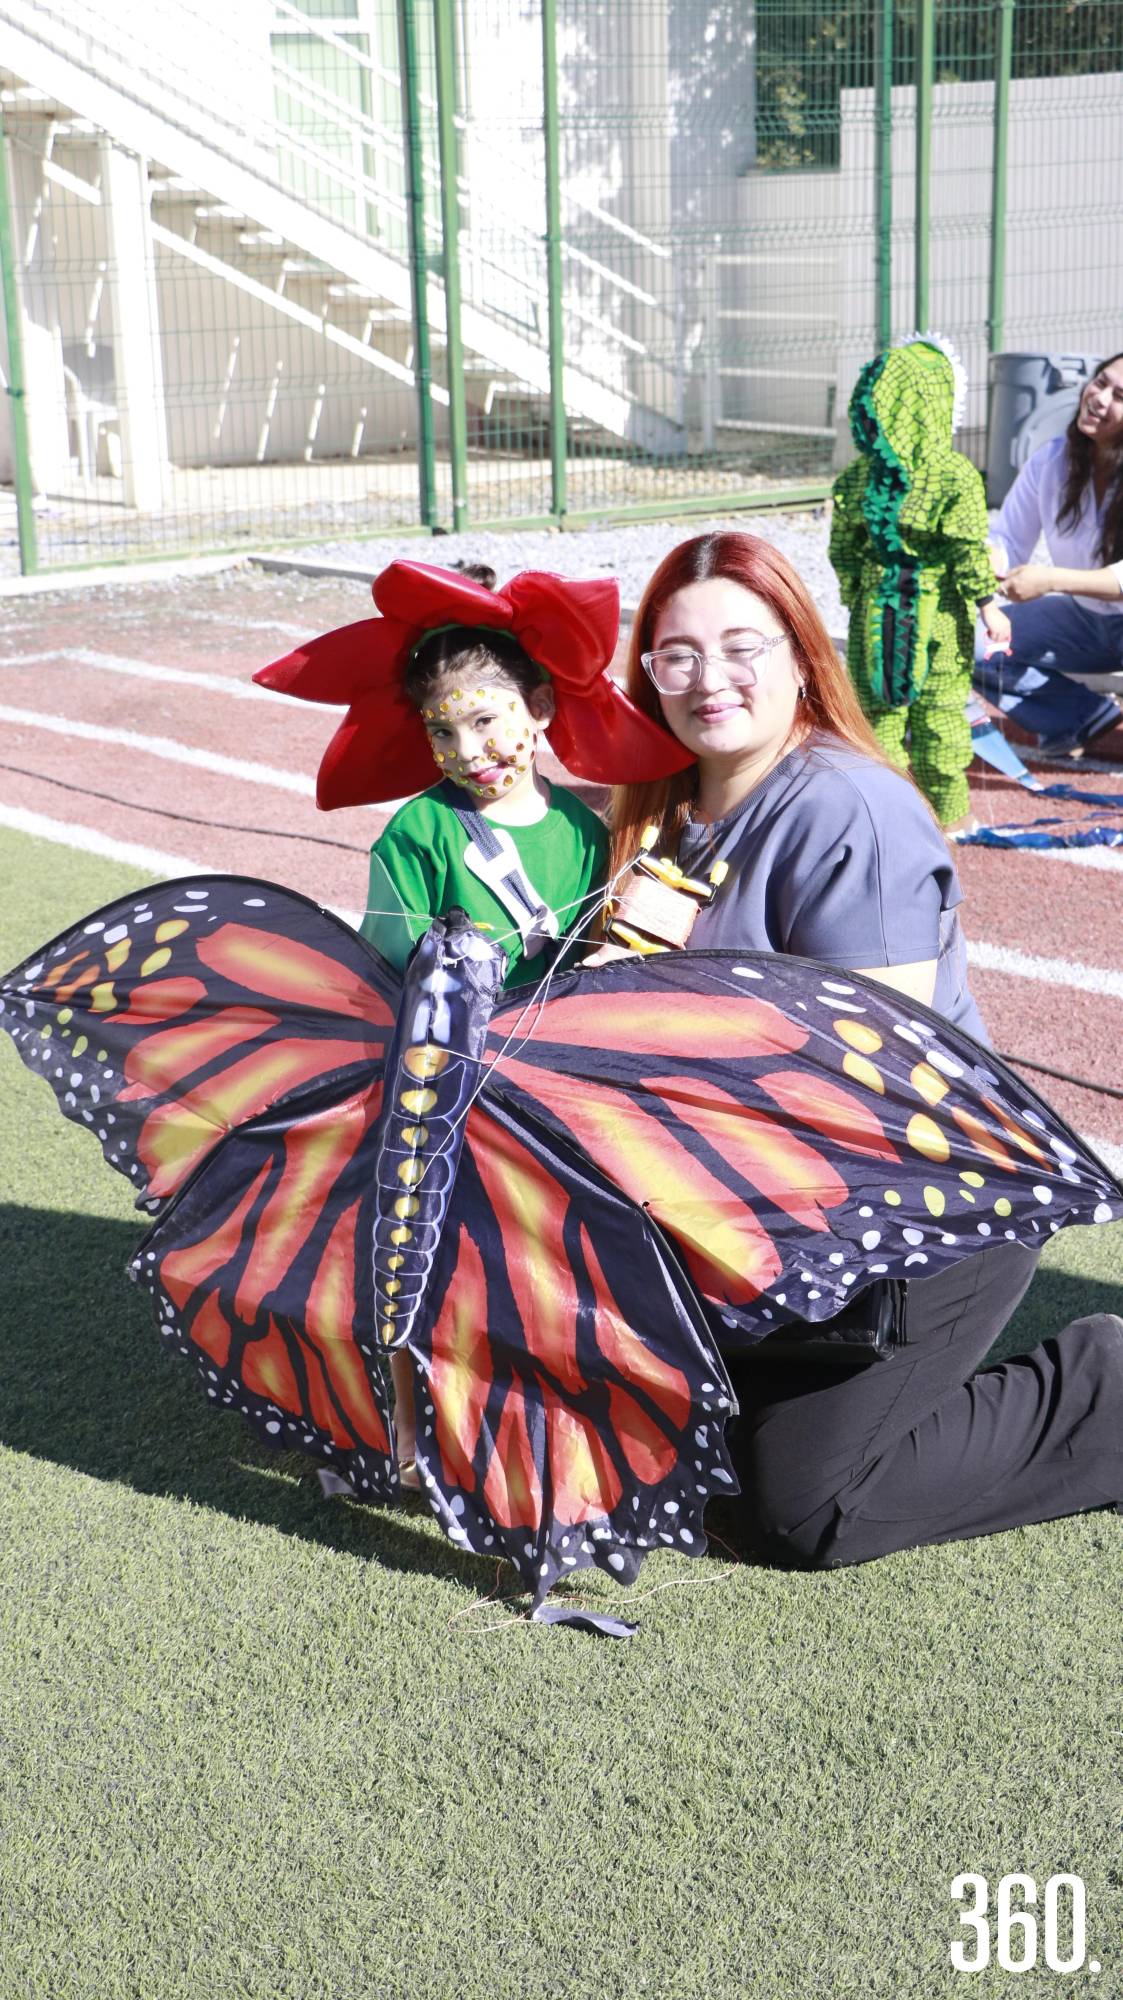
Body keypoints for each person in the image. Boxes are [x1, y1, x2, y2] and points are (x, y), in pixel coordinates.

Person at [604, 528, 1123, 1571]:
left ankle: (1105, 1387)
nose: (710, 679)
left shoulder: (849, 809)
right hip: (756, 1203)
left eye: (742, 645)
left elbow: (863, 1096)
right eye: (677, 653)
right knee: (669, 1453)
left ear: (801, 652)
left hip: (925, 1198)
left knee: (798, 1506)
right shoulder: (660, 811)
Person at [256, 555, 690, 1485]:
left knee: (539, 1272)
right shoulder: (419, 832)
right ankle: (401, 1436)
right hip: (437, 1090)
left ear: (537, 708)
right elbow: (376, 975)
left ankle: (538, 1422)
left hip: (547, 1098)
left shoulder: (588, 829)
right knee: (417, 1264)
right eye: (441, 731)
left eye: (485, 720)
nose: (468, 751)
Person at [829, 336, 1011, 831]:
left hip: (875, 610)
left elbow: (842, 549)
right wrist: (987, 604)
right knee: (939, 714)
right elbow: (967, 548)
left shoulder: (854, 479)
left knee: (877, 714)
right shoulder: (955, 475)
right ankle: (947, 816)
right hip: (941, 617)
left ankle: (880, 813)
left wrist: (856, 591)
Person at [973, 350, 1123, 756]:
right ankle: (1086, 720)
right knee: (971, 643)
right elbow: (1007, 539)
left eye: (1120, 395)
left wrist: (1050, 579)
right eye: (1100, 382)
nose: (1100, 398)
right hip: (1085, 620)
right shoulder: (1052, 460)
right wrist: (987, 565)